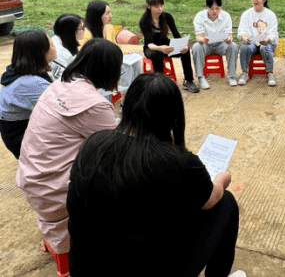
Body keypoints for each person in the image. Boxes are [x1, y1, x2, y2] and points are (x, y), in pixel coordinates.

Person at [67, 73, 245, 277]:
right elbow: (210, 200)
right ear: (173, 116)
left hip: (84, 269)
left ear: (127, 105)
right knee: (226, 202)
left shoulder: (94, 142)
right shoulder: (179, 160)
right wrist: (223, 179)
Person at [16, 39, 122, 258]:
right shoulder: (95, 104)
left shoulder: (58, 85)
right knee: (123, 177)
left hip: (32, 180)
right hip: (56, 193)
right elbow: (118, 148)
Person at [0, 31, 55, 159]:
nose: (55, 46)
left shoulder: (21, 69)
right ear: (41, 53)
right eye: (51, 44)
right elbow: (62, 112)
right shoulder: (32, 84)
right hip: (23, 141)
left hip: (17, 134)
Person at [139, 0, 199, 93]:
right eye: (156, 6)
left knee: (185, 51)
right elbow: (149, 44)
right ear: (148, 6)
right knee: (157, 54)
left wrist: (182, 46)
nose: (160, 9)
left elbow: (176, 35)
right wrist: (161, 48)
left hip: (165, 43)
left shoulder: (167, 17)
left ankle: (188, 81)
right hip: (151, 48)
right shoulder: (144, 21)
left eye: (161, 5)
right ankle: (160, 84)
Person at [192, 0, 239, 88]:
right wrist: (203, 39)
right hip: (206, 44)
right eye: (211, 8)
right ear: (206, 6)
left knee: (233, 46)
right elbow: (198, 37)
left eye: (217, 8)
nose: (214, 11)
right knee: (196, 47)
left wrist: (229, 39)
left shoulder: (226, 16)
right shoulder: (199, 16)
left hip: (221, 44)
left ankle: (231, 76)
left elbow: (229, 35)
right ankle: (201, 77)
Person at [237, 0, 278, 86]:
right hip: (252, 42)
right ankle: (244, 72)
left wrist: (267, 39)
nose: (255, 0)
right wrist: (244, 37)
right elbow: (241, 31)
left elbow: (273, 34)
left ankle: (270, 73)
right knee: (245, 47)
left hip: (266, 42)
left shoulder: (271, 15)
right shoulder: (246, 14)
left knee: (264, 48)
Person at [50, 13, 85, 80]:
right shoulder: (60, 52)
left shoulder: (57, 39)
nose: (83, 30)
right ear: (70, 32)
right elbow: (61, 80)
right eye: (81, 28)